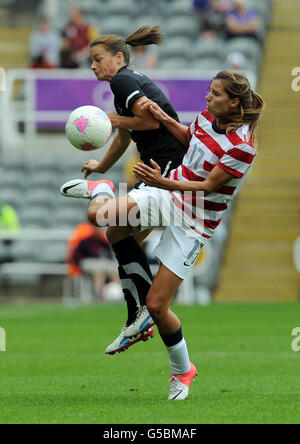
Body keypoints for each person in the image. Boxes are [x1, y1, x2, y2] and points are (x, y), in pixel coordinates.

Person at [60, 70, 265, 399]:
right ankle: (101, 189)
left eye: (215, 94)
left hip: (195, 221)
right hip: (168, 197)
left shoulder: (242, 147)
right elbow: (190, 139)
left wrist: (162, 181)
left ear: (234, 102)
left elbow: (209, 185)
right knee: (105, 220)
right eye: (209, 92)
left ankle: (182, 371)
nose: (207, 98)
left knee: (159, 305)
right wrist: (162, 118)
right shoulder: (205, 117)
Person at [61, 26, 186, 355]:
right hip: (162, 173)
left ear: (119, 58)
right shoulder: (125, 84)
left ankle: (99, 190)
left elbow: (151, 121)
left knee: (101, 217)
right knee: (117, 233)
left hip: (168, 173)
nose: (92, 66)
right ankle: (138, 315)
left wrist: (113, 119)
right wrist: (102, 163)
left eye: (97, 59)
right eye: (90, 61)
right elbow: (129, 134)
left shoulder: (123, 80)